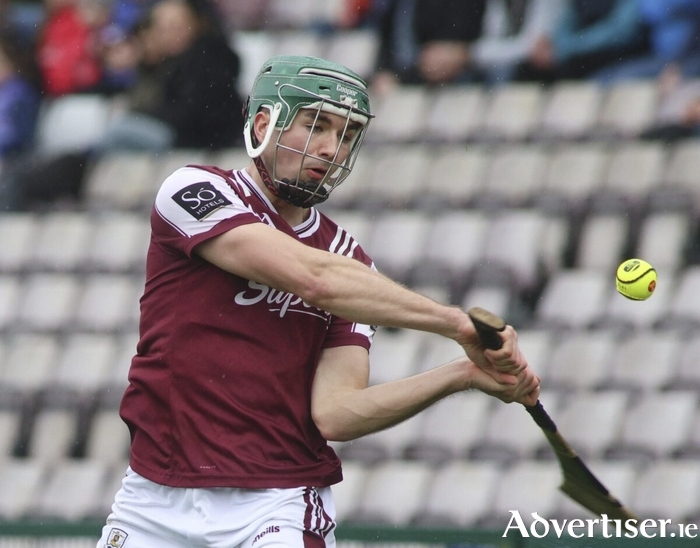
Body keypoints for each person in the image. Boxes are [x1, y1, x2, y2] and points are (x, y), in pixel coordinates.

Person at [95, 55, 540, 548]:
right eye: (316, 126)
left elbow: (336, 414)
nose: (330, 149)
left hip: (276, 504)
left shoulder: (353, 264)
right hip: (152, 499)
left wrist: (462, 374)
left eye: (347, 136)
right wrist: (457, 325)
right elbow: (313, 278)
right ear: (264, 124)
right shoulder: (196, 191)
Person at [515, 0, 649, 83]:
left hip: (622, 55)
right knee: (526, 70)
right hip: (581, 56)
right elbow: (565, 24)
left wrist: (565, 49)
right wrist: (556, 50)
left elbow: (621, 31)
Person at [372, 0, 487, 93]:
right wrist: (386, 74)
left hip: (465, 82)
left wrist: (465, 53)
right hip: (407, 83)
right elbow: (388, 48)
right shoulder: (397, 5)